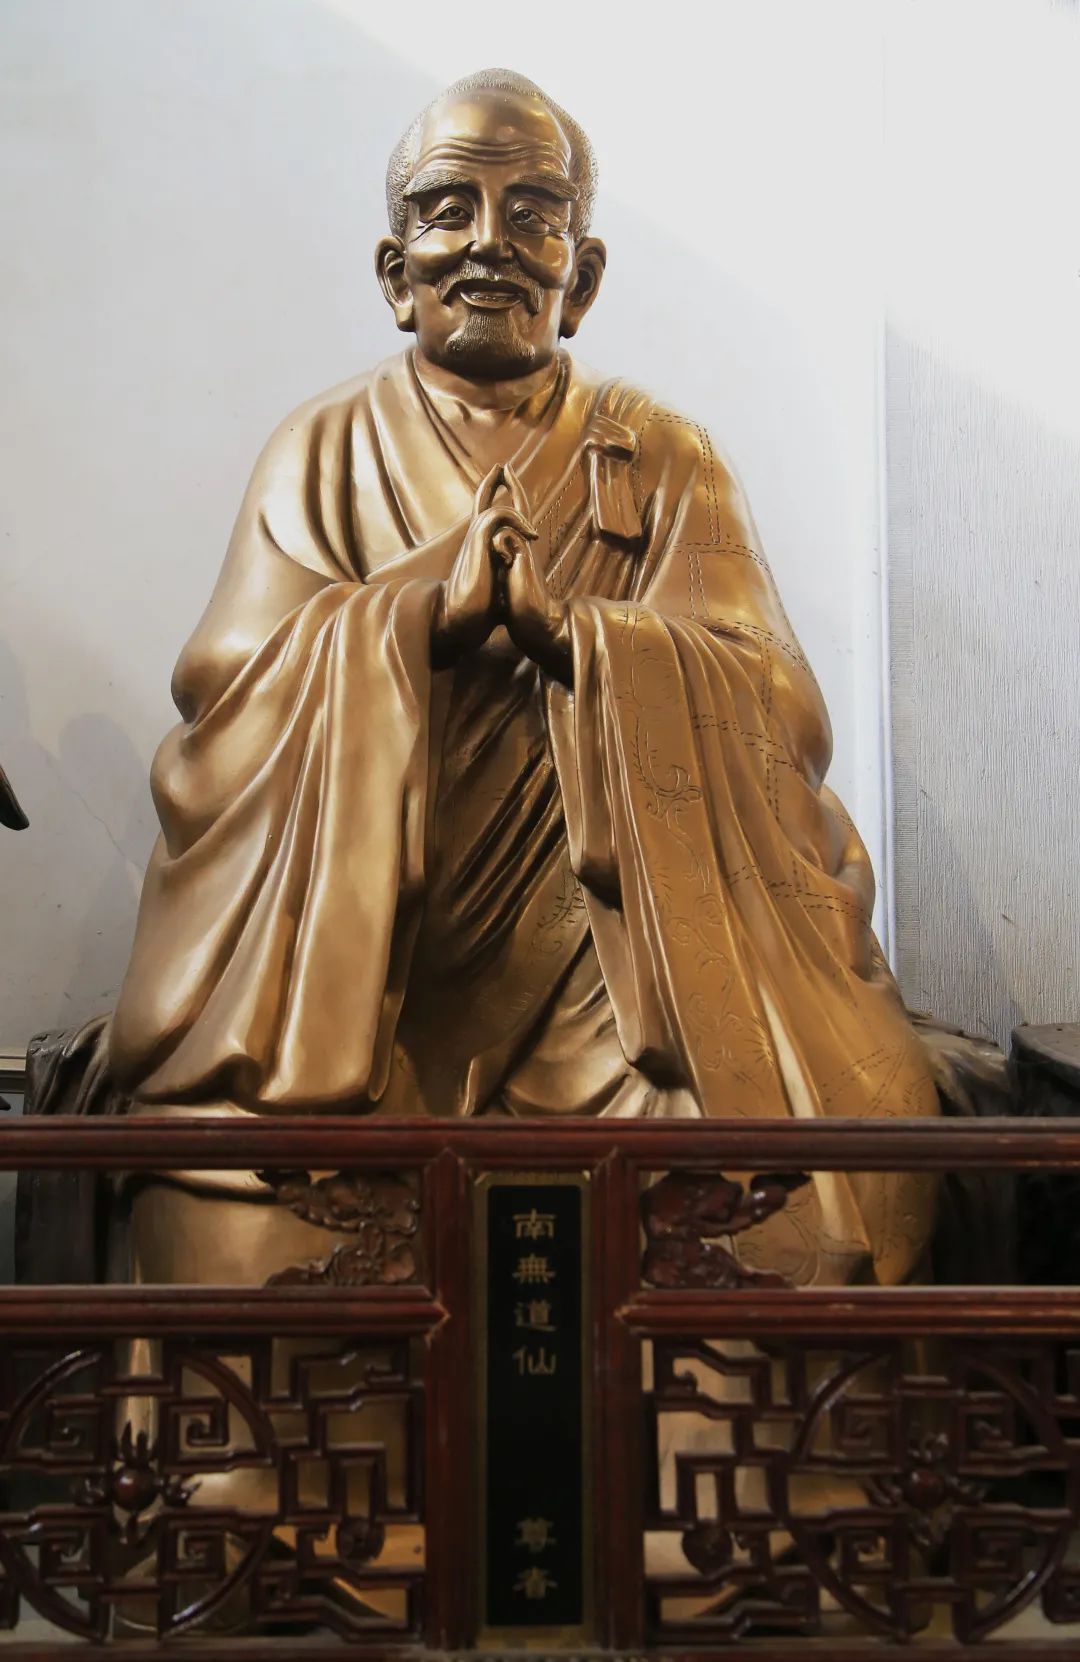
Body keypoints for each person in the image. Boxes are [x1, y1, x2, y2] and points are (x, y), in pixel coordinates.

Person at [109, 69, 937, 1290]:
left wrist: (586, 644)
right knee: (237, 1238)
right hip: (362, 986)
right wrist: (410, 627)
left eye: (534, 215)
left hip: (625, 973)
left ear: (582, 276)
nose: (489, 243)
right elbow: (226, 704)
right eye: (448, 210)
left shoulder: (668, 459)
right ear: (394, 271)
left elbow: (777, 708)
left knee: (801, 1212)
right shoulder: (320, 451)